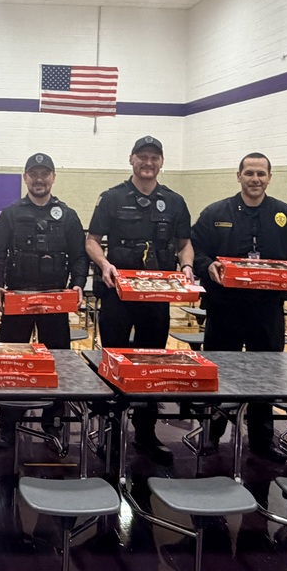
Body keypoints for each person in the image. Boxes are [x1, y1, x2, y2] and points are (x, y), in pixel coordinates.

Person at [191, 152, 287, 463]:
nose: (255, 179)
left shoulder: (286, 216)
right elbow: (196, 251)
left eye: (261, 173)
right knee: (220, 372)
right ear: (239, 176)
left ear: (269, 178)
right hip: (225, 309)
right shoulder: (215, 213)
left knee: (267, 376)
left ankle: (261, 439)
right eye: (249, 173)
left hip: (267, 311)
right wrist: (209, 267)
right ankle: (212, 433)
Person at [85, 135, 194, 466]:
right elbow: (91, 241)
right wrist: (104, 264)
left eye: (154, 157)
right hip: (117, 295)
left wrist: (187, 266)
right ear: (131, 159)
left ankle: (146, 434)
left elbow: (184, 244)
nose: (148, 163)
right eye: (142, 156)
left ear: (162, 163)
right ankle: (110, 432)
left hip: (156, 298)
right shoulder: (112, 198)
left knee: (152, 366)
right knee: (114, 363)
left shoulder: (174, 202)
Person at [0, 153, 89, 448]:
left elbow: (79, 256)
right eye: (34, 174)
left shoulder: (67, 215)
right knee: (11, 361)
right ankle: (7, 423)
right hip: (18, 296)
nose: (39, 179)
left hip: (55, 298)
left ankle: (52, 421)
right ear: (25, 177)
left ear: (53, 177)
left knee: (56, 361)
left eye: (45, 173)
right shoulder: (10, 214)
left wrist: (79, 285)